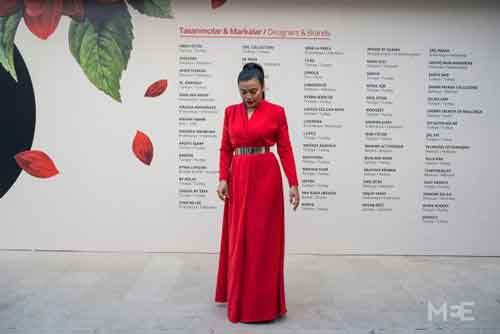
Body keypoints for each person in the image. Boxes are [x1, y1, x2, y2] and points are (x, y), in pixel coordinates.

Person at [214, 62, 300, 323]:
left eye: (253, 91)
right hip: (238, 177)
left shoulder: (277, 112)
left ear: (263, 88)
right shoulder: (230, 112)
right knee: (240, 238)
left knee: (264, 240)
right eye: (243, 92)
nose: (248, 97)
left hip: (266, 178)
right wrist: (222, 178)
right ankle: (239, 296)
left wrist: (293, 183)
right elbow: (225, 148)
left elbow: (285, 149)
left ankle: (263, 304)